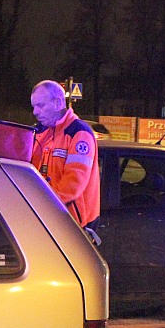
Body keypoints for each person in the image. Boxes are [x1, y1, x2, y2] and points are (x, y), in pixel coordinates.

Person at [29, 80, 100, 227]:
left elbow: (72, 184)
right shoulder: (41, 131)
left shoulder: (79, 133)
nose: (35, 112)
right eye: (34, 106)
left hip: (73, 224)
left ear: (58, 103)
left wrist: (41, 205)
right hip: (50, 216)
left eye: (40, 105)